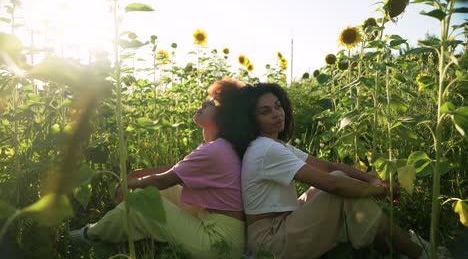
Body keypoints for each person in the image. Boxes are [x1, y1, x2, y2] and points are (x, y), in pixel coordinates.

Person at [224, 82, 435, 259]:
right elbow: (331, 184)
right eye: (265, 111)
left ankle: (403, 247)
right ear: (252, 119)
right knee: (340, 190)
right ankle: (419, 251)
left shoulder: (275, 145)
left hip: (280, 225)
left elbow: (329, 167)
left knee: (341, 179)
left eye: (278, 106)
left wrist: (372, 181)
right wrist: (383, 191)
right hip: (269, 243)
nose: (277, 114)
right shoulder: (265, 148)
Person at [70, 77, 246, 259]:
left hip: (217, 245)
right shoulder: (223, 146)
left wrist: (128, 184)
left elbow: (162, 180)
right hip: (223, 233)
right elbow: (178, 169)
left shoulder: (215, 149)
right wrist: (141, 174)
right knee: (168, 192)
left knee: (140, 201)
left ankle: (89, 235)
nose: (203, 103)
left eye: (212, 103)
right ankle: (119, 228)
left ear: (226, 116)